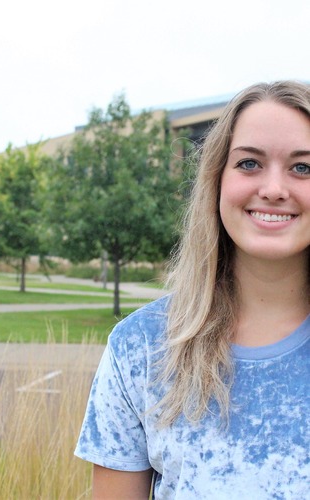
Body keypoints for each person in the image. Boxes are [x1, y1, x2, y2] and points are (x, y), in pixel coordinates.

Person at [74, 80, 310, 499]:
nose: (274, 189)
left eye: (303, 168)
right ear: (216, 181)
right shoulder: (141, 348)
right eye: (249, 163)